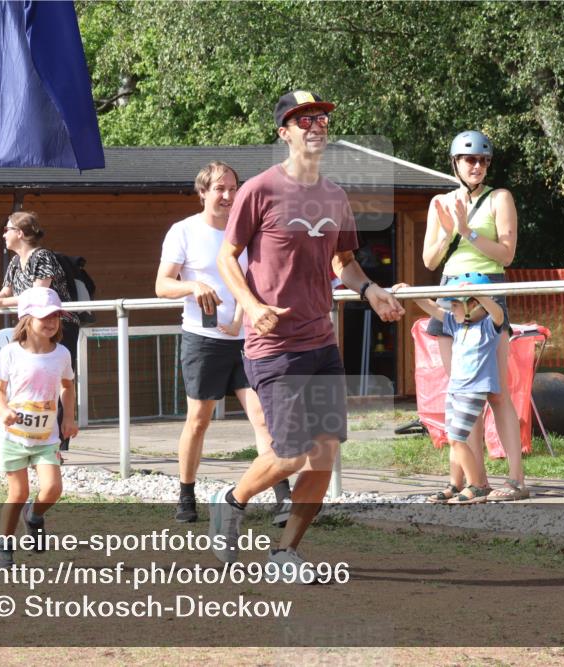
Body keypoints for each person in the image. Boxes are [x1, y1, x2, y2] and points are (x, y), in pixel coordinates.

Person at [211, 90, 405, 574]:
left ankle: (284, 552)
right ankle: (230, 501)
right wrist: (252, 306)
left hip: (322, 343)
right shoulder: (259, 189)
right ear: (284, 133)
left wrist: (371, 291)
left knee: (323, 456)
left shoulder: (336, 196)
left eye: (320, 118)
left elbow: (344, 263)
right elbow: (225, 257)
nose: (315, 126)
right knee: (291, 453)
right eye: (303, 120)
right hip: (273, 346)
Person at [155, 161, 290, 525]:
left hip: (247, 338)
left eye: (233, 188)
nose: (229, 195)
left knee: (263, 417)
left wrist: (239, 318)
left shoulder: (247, 232)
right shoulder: (183, 231)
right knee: (199, 420)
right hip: (203, 340)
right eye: (220, 188)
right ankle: (186, 494)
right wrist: (193, 286)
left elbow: (256, 283)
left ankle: (282, 496)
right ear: (203, 193)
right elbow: (162, 285)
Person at [420, 130, 528, 503]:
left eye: (482, 160)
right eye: (470, 160)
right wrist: (451, 233)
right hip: (451, 294)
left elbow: (506, 254)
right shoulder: (440, 202)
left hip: (487, 292)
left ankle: (515, 479)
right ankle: (467, 479)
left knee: (496, 393)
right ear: (456, 164)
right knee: (460, 393)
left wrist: (467, 232)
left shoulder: (500, 198)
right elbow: (430, 260)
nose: (477, 166)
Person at [407, 274, 520, 503]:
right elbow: (433, 309)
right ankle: (460, 483)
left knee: (458, 438)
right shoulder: (456, 324)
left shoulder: (488, 327)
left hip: (472, 390)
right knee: (453, 438)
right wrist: (410, 292)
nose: (452, 309)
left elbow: (497, 313)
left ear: (475, 305)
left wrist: (479, 294)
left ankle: (477, 484)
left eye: (457, 304)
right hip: (456, 390)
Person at [0, 287, 78, 569]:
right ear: (26, 318)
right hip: (13, 436)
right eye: (43, 317)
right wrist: (3, 411)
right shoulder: (11, 353)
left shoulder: (61, 353)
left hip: (46, 436)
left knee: (51, 489)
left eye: (55, 316)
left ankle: (34, 516)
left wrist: (68, 418)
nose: (51, 322)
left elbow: (67, 386)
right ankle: (1, 549)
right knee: (18, 493)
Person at [0, 210, 79, 454]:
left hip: (56, 325)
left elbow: (38, 296)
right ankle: (25, 437)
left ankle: (56, 443)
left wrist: (0, 304)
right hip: (27, 326)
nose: (3, 235)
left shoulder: (42, 256)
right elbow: (6, 292)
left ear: (20, 233)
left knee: (54, 379)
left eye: (7, 229)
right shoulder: (14, 262)